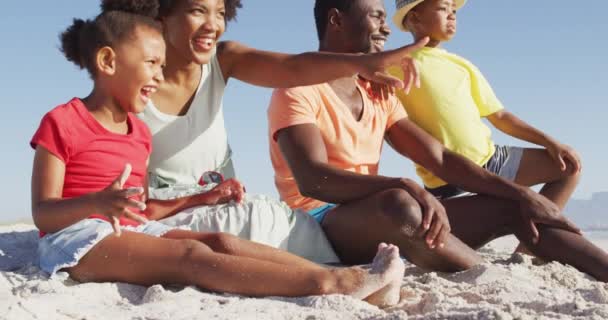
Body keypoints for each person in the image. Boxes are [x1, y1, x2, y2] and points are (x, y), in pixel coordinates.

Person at [29, 5, 406, 306]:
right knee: (191, 255)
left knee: (221, 243)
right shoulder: (63, 121)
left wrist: (200, 199)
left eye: (162, 65)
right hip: (76, 240)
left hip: (129, 231)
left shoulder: (138, 134)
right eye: (151, 65)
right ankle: (334, 283)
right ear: (108, 62)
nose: (159, 76)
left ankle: (336, 275)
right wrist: (97, 203)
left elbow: (141, 211)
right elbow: (43, 213)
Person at [267, 0, 608, 282]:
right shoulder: (297, 89)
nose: (387, 28)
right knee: (400, 204)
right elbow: (314, 180)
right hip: (320, 224)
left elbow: (440, 159)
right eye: (376, 16)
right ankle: (490, 275)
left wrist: (520, 193)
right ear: (336, 19)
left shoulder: (378, 93)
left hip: (383, 217)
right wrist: (405, 185)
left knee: (513, 206)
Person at [101, 0, 426, 264]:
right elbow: (132, 199)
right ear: (160, 15)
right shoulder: (130, 88)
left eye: (219, 12)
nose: (212, 24)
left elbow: (292, 67)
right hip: (172, 214)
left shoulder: (221, 60)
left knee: (278, 222)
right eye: (198, 11)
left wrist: (360, 64)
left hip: (230, 204)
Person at [389, 0, 581, 255]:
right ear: (414, 18)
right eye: (443, 8)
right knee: (455, 244)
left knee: (568, 167)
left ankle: (527, 250)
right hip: (446, 179)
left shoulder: (462, 65)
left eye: (454, 10)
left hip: (492, 160)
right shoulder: (394, 65)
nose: (452, 15)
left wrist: (548, 141)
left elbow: (500, 116)